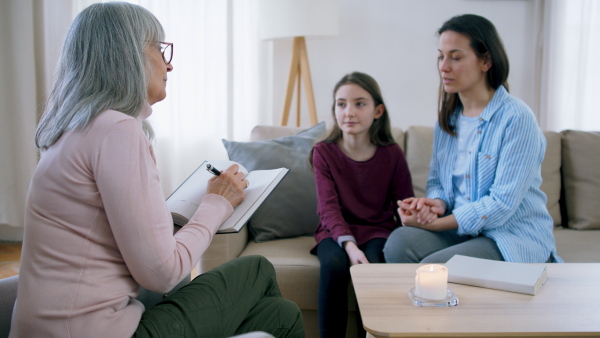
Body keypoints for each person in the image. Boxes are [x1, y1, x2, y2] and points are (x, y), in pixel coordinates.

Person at [10, 2, 303, 337]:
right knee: (257, 269)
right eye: (160, 49)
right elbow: (163, 274)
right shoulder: (116, 130)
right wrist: (217, 204)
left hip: (58, 328)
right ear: (128, 54)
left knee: (280, 314)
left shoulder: (71, 131)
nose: (170, 64)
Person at [383, 14, 562, 265]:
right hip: (462, 233)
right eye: (440, 56)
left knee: (434, 269)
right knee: (398, 243)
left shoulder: (517, 118)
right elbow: (439, 184)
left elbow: (501, 204)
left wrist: (437, 224)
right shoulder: (448, 121)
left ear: (486, 61)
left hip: (509, 236)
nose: (443, 66)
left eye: (455, 57)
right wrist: (433, 204)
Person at [310, 72, 414, 337]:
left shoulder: (392, 154)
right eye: (341, 104)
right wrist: (349, 244)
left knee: (375, 264)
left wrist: (413, 215)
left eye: (359, 103)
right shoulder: (323, 152)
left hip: (378, 230)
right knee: (334, 265)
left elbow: (403, 203)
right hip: (334, 232)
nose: (349, 112)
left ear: (378, 110)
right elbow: (328, 208)